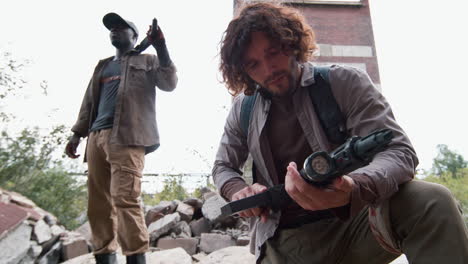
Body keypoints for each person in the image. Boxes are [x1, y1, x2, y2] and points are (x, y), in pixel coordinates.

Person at [213, 2, 468, 263]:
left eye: (273, 52)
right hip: (286, 241)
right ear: (243, 71)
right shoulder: (241, 111)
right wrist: (238, 191)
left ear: (291, 44)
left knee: (432, 202)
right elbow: (223, 165)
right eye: (254, 64)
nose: (268, 69)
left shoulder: (344, 83)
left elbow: (398, 151)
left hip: (360, 221)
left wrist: (355, 186)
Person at [65, 12, 177, 264]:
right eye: (111, 28)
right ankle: (105, 256)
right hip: (96, 137)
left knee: (125, 199)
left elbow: (169, 83)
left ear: (135, 36)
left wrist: (161, 46)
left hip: (127, 138)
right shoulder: (102, 66)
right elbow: (88, 103)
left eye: (121, 27)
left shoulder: (147, 60)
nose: (114, 30)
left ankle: (135, 258)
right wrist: (76, 135)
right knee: (98, 205)